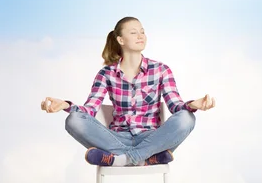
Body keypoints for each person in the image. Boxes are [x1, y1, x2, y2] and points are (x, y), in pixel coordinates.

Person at [40, 16, 216, 167]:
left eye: (142, 31)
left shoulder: (161, 70)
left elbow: (175, 106)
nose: (141, 36)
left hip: (152, 138)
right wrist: (66, 105)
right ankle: (146, 158)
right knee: (73, 120)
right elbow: (90, 109)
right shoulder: (106, 74)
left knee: (187, 118)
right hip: (116, 138)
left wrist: (193, 105)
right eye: (133, 32)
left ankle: (122, 159)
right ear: (120, 40)